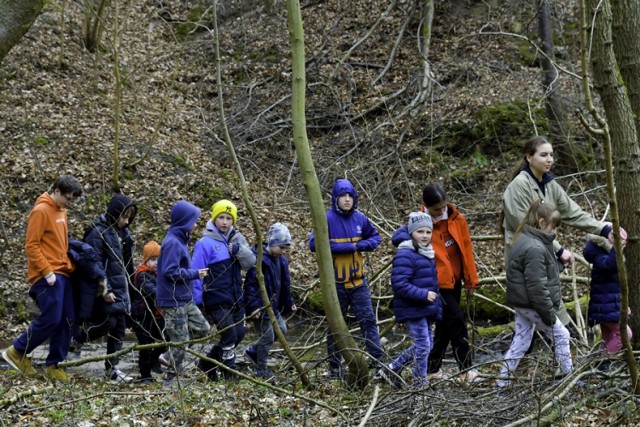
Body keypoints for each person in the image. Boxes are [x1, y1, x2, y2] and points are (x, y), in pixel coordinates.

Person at [391, 183, 480, 382]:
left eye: (443, 207)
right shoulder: (420, 224)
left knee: (444, 327)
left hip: (455, 280)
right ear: (426, 206)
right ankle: (466, 370)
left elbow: (466, 249)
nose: (441, 212)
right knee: (456, 322)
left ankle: (431, 368)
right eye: (436, 209)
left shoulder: (457, 219)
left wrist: (471, 280)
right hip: (435, 284)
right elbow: (402, 237)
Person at [2, 175, 82, 383]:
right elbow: (31, 245)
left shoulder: (61, 211)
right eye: (68, 198)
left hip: (63, 273)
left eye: (73, 199)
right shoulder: (41, 211)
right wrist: (47, 272)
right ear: (56, 191)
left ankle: (55, 365)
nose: (70, 203)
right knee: (51, 318)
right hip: (47, 276)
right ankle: (17, 351)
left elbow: (59, 243)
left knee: (67, 319)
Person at [309, 178, 384, 378]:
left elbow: (376, 238)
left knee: (368, 322)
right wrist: (347, 247)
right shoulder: (326, 219)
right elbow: (314, 244)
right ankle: (334, 367)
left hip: (359, 282)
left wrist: (363, 245)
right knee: (336, 327)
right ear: (336, 198)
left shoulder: (360, 219)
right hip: (336, 285)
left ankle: (378, 363)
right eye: (343, 196)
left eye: (350, 196)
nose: (347, 199)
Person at [496, 200, 574, 388]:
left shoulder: (528, 239)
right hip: (532, 304)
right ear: (541, 223)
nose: (554, 232)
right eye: (552, 227)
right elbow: (537, 287)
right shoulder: (535, 247)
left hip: (522, 304)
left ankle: (502, 383)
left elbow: (542, 271)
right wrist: (548, 314)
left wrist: (561, 265)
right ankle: (568, 379)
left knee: (521, 341)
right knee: (562, 335)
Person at [74, 194, 137, 382]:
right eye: (123, 217)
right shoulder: (98, 232)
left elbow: (127, 266)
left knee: (120, 327)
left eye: (129, 218)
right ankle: (76, 338)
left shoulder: (123, 235)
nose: (125, 222)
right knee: (108, 323)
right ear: (115, 213)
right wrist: (105, 289)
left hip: (121, 288)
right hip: (102, 289)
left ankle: (113, 368)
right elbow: (95, 263)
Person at [191, 199, 256, 381]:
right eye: (221, 217)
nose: (225, 222)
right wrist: (197, 301)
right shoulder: (204, 243)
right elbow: (197, 272)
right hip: (216, 298)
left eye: (229, 218)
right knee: (229, 334)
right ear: (214, 219)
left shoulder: (236, 240)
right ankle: (230, 372)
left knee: (239, 333)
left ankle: (207, 363)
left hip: (236, 297)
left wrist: (237, 250)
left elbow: (250, 262)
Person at [379, 212, 441, 388]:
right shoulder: (406, 254)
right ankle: (419, 385)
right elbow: (399, 284)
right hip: (413, 308)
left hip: (425, 308)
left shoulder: (426, 253)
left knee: (426, 345)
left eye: (428, 232)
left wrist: (436, 306)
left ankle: (392, 368)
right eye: (420, 231)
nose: (424, 236)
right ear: (412, 232)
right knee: (423, 345)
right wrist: (423, 294)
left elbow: (432, 283)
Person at [156, 200, 210, 386]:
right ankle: (170, 378)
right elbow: (169, 272)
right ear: (184, 221)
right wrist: (195, 274)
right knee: (180, 340)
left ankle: (173, 356)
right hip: (172, 300)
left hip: (185, 298)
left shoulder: (180, 240)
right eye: (193, 221)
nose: (195, 225)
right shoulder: (172, 243)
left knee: (203, 328)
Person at [244, 223, 297, 380]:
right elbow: (251, 286)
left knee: (282, 330)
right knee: (267, 336)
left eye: (286, 248)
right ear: (272, 243)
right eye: (281, 247)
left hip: (274, 307)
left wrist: (289, 302)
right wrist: (253, 307)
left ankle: (254, 350)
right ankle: (261, 368)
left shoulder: (281, 261)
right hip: (261, 307)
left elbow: (284, 285)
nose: (283, 251)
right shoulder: (259, 260)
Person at [584, 224, 633, 359]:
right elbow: (609, 266)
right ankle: (603, 361)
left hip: (607, 307)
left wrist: (624, 306)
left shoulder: (604, 254)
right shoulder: (599, 256)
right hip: (605, 308)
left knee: (607, 339)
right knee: (625, 334)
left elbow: (615, 288)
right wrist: (617, 248)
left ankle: (598, 365)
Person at [130, 240, 166, 384]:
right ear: (146, 260)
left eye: (159, 259)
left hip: (156, 315)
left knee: (165, 339)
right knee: (145, 345)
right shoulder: (142, 275)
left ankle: (155, 360)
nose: (156, 263)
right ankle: (145, 375)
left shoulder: (159, 274)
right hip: (142, 315)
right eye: (153, 260)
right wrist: (165, 294)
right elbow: (152, 291)